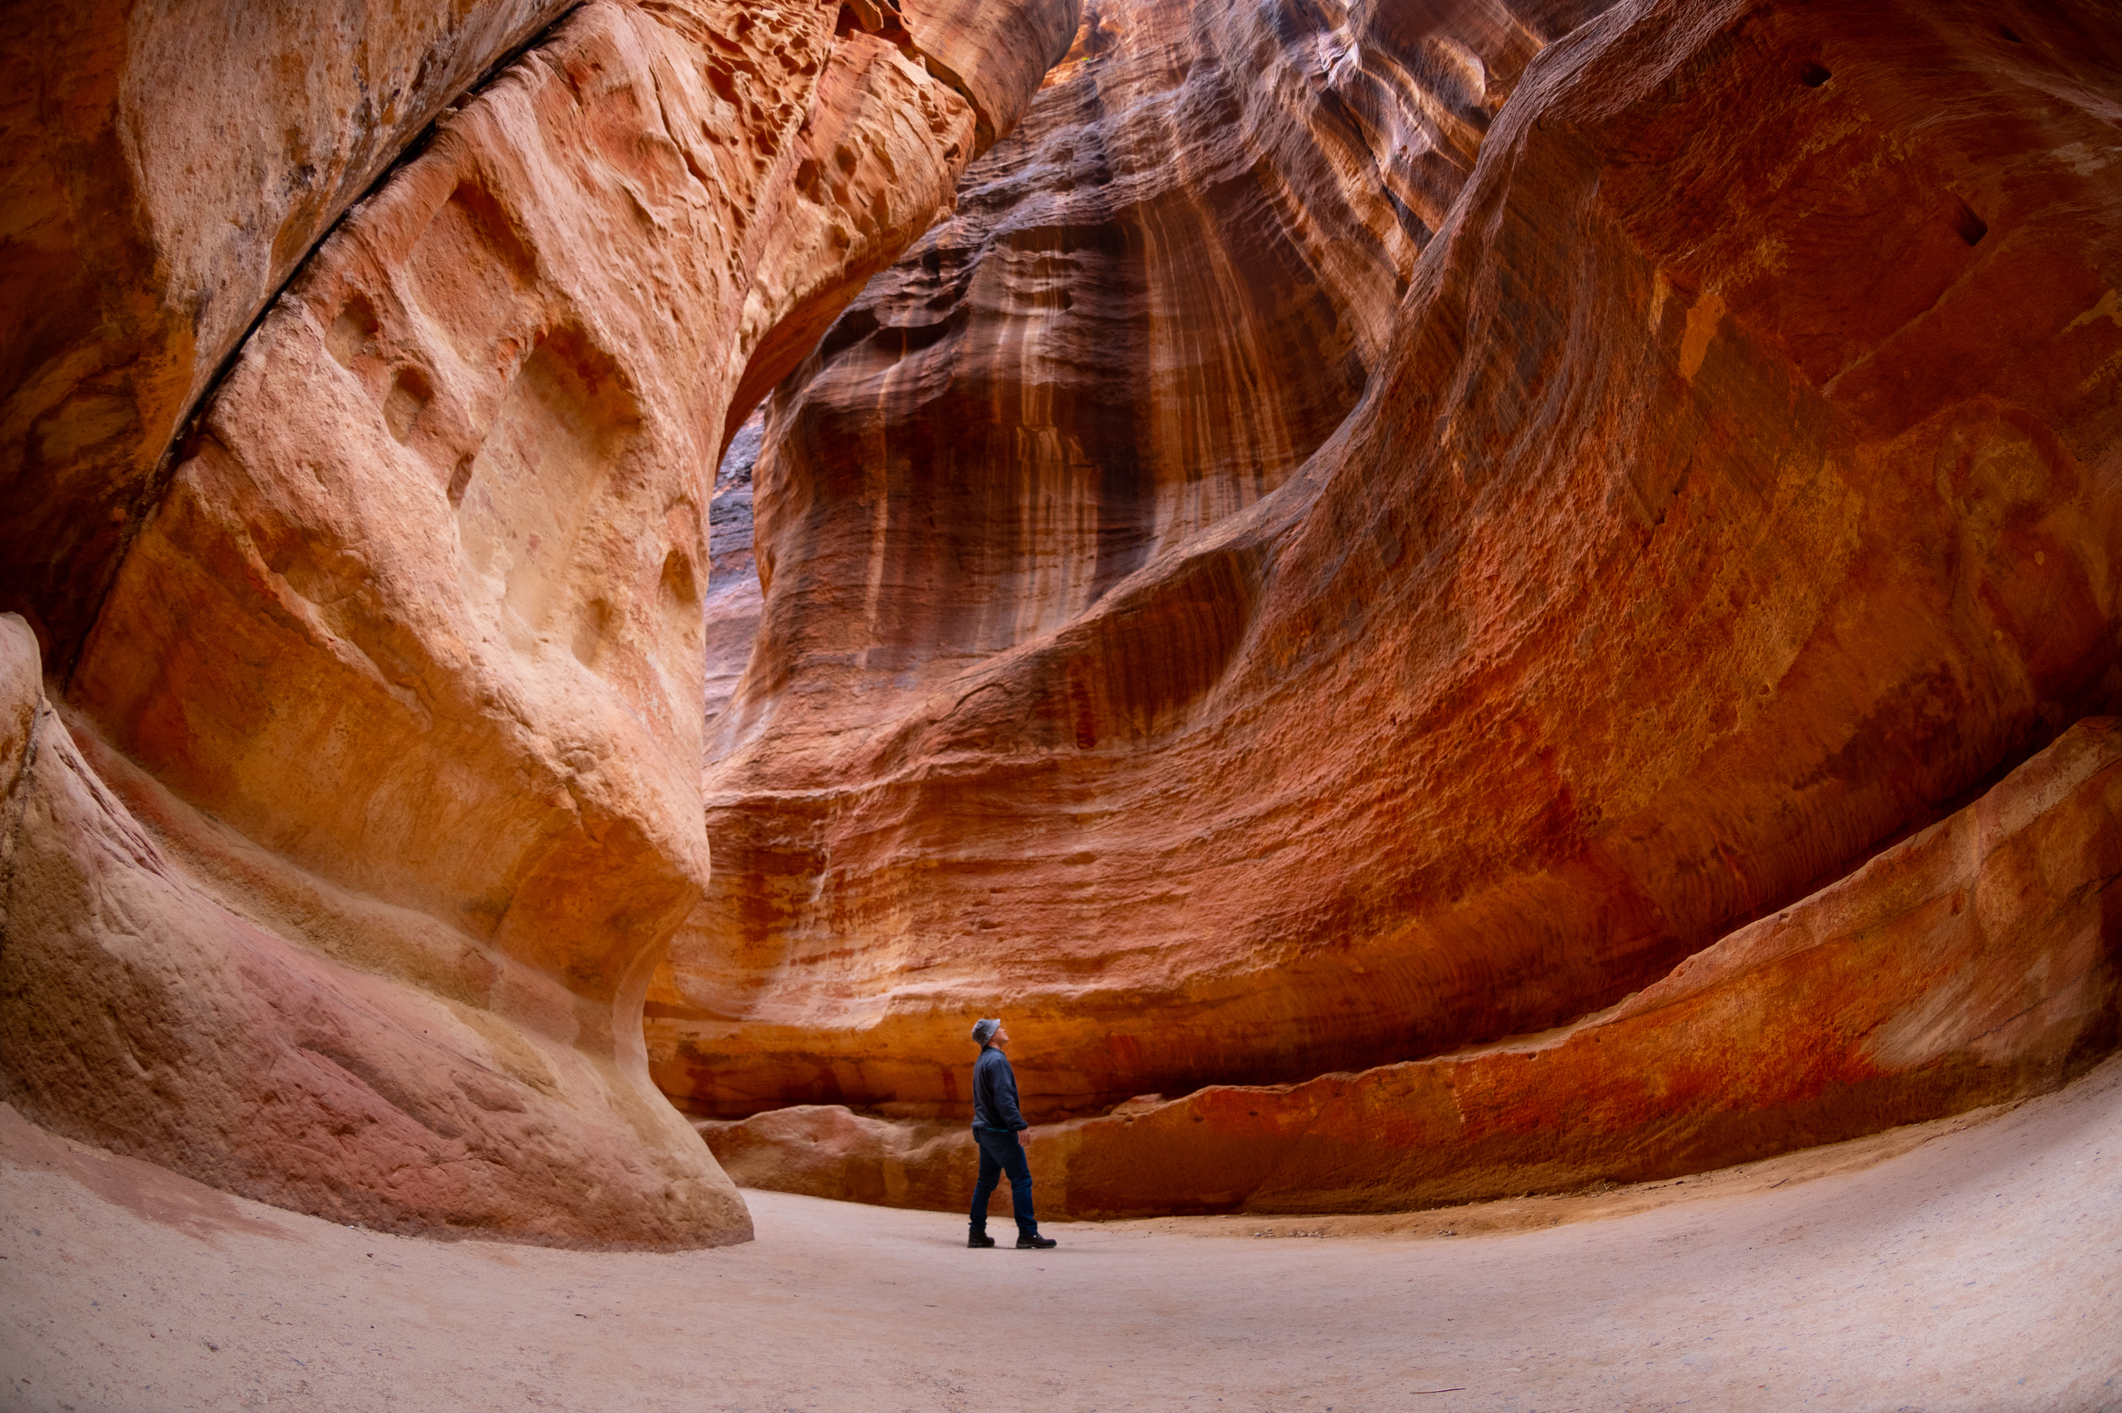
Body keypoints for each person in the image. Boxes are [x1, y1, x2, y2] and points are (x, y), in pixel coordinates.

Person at [967, 1017, 1056, 1249]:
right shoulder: (997, 1061)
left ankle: (976, 1233)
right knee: (1022, 1179)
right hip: (999, 1131)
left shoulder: (983, 1060)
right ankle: (1027, 1233)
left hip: (984, 1129)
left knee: (985, 1182)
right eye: (998, 1027)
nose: (1003, 1028)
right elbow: (1004, 1098)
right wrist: (1019, 1125)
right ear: (990, 1036)